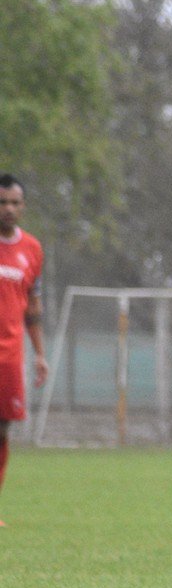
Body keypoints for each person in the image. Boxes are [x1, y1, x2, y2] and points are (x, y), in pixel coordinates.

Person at [0, 174, 48, 529]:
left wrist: (40, 354)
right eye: (3, 202)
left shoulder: (32, 249)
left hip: (11, 357)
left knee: (2, 431)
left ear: (23, 206)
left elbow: (33, 307)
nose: (8, 209)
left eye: (15, 203)